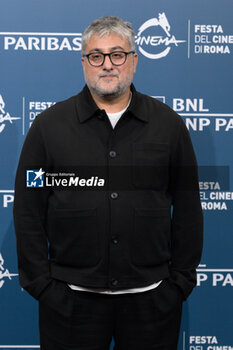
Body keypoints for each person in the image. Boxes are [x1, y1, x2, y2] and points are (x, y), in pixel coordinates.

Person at [13, 16, 203, 350]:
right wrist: (42, 285)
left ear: (134, 60)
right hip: (70, 303)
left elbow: (188, 209)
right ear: (84, 62)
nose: (107, 65)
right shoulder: (48, 127)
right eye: (96, 56)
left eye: (117, 54)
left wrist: (179, 284)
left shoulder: (169, 125)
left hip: (151, 303)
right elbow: (28, 210)